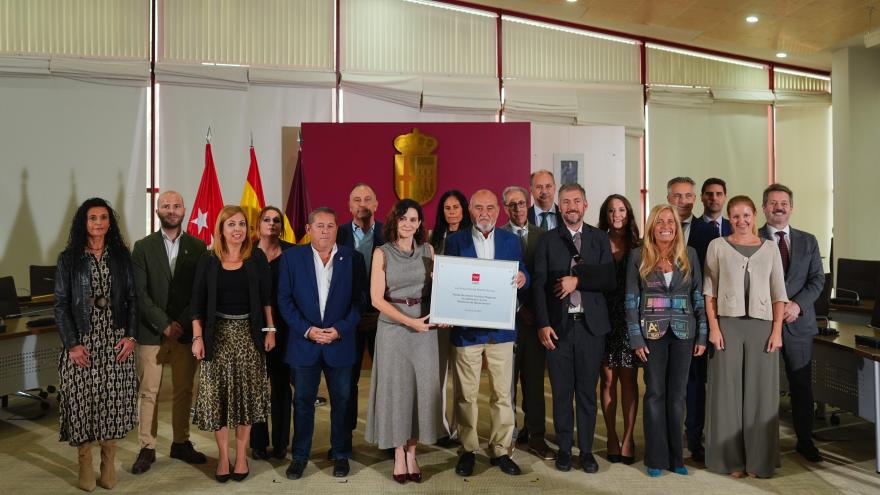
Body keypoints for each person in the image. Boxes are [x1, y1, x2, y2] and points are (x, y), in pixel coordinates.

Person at [54, 197, 138, 491]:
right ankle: (84, 462)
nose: (99, 223)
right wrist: (72, 344)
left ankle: (108, 461)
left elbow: (132, 299)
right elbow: (61, 305)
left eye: (104, 217)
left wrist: (131, 336)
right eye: (93, 218)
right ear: (83, 223)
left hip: (115, 340)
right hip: (83, 342)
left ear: (109, 222)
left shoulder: (121, 256)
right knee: (82, 401)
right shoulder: (69, 259)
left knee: (112, 402)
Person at [277, 207, 366, 480]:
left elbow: (360, 301)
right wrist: (307, 330)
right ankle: (300, 456)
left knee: (342, 401)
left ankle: (340, 454)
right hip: (305, 343)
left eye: (330, 226)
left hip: (340, 343)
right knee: (303, 402)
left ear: (336, 228)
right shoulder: (292, 258)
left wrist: (339, 330)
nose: (325, 231)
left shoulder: (353, 258)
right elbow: (284, 300)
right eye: (319, 226)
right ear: (308, 229)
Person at [703, 195, 788, 479]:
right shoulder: (717, 246)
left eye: (746, 215)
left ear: (755, 215)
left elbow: (779, 293)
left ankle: (759, 461)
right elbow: (709, 291)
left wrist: (777, 331)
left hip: (763, 328)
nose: (741, 221)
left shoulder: (771, 248)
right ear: (729, 217)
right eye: (735, 216)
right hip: (728, 325)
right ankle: (730, 461)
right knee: (726, 395)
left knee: (760, 395)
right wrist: (714, 328)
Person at [533, 183, 616, 474]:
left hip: (591, 328)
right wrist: (543, 324)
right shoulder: (546, 241)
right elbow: (540, 287)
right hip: (559, 327)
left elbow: (608, 279)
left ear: (586, 205)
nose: (571, 206)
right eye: (565, 201)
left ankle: (587, 451)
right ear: (559, 206)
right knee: (561, 392)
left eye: (576, 201)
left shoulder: (599, 239)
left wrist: (577, 281)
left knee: (586, 393)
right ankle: (565, 450)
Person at [446, 189, 529, 477]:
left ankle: (500, 450)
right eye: (478, 207)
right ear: (470, 210)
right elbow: (449, 281)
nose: (484, 213)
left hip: (501, 332)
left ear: (499, 210)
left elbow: (524, 273)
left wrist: (523, 278)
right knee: (466, 395)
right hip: (467, 333)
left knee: (502, 395)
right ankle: (468, 449)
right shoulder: (454, 240)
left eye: (490, 207)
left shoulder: (511, 240)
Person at [190, 205, 275, 483]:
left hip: (249, 337)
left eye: (241, 224)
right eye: (231, 225)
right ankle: (223, 457)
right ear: (221, 229)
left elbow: (266, 299)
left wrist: (270, 330)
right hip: (217, 337)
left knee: (245, 399)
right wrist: (197, 336)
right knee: (218, 400)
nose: (237, 229)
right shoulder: (208, 259)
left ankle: (241, 456)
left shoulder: (257, 258)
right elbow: (197, 303)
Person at [625, 204, 707, 477]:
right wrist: (636, 338)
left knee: (677, 396)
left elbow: (698, 297)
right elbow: (630, 300)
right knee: (655, 394)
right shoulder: (638, 255)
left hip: (685, 334)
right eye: (659, 220)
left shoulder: (690, 255)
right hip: (651, 334)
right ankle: (655, 459)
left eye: (670, 220)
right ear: (651, 226)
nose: (665, 225)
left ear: (677, 225)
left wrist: (703, 334)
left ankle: (676, 458)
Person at [365, 199, 442, 484]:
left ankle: (412, 452)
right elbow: (376, 298)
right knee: (397, 392)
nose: (408, 224)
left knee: (420, 390)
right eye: (403, 218)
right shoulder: (381, 253)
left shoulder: (428, 250)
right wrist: (409, 322)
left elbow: (441, 288)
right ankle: (398, 453)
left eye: (414, 219)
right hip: (395, 329)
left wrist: (443, 313)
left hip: (425, 329)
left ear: (421, 224)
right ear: (394, 221)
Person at [131, 191, 207, 475]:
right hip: (152, 333)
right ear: (157, 211)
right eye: (166, 206)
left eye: (176, 206)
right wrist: (163, 323)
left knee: (184, 390)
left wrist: (181, 323)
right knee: (149, 391)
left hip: (185, 333)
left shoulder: (198, 247)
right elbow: (139, 293)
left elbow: (199, 292)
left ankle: (180, 442)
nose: (171, 210)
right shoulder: (142, 247)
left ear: (185, 210)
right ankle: (146, 447)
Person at [759, 184, 825, 463]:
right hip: (763, 325)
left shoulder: (808, 241)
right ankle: (762, 443)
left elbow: (817, 280)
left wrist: (796, 304)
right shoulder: (753, 238)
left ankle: (805, 440)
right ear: (764, 208)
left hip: (799, 324)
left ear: (791, 207)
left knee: (801, 386)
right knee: (763, 387)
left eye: (784, 203)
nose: (779, 207)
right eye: (773, 203)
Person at [500, 185, 554, 460]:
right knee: (506, 382)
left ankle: (536, 436)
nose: (518, 209)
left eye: (522, 203)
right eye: (512, 205)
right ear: (505, 208)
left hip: (536, 322)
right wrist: (520, 308)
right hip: (506, 320)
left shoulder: (543, 237)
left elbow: (544, 279)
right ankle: (508, 434)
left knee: (533, 382)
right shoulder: (497, 237)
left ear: (528, 203)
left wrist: (537, 313)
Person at [667, 175, 719, 462]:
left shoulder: (709, 233)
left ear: (695, 199)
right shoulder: (657, 228)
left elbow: (711, 280)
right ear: (668, 198)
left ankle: (694, 437)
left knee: (695, 383)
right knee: (666, 383)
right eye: (677, 195)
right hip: (660, 317)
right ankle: (668, 438)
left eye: (688, 196)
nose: (683, 201)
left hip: (695, 316)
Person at [335, 183, 384, 448]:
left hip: (384, 320)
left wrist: (380, 311)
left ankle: (388, 438)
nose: (362, 203)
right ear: (349, 206)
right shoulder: (336, 233)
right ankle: (344, 440)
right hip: (347, 322)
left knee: (386, 382)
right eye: (357, 199)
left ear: (376, 204)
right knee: (345, 384)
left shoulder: (391, 233)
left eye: (368, 199)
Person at [596, 194, 641, 465]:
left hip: (629, 320)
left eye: (621, 209)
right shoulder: (596, 242)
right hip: (603, 320)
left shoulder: (639, 244)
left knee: (629, 380)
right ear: (605, 214)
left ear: (628, 212)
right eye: (611, 210)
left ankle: (628, 437)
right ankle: (611, 435)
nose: (617, 214)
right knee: (608, 380)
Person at [249, 206, 295, 460]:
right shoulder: (247, 252)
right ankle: (257, 442)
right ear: (259, 224)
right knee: (257, 386)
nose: (272, 224)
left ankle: (280, 443)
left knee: (280, 386)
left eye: (277, 220)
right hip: (254, 329)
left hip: (285, 329)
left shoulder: (293, 253)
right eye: (267, 219)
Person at [428, 189, 471, 445]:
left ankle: (460, 429)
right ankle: (441, 429)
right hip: (440, 314)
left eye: (456, 207)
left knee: (463, 376)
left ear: (464, 210)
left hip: (465, 313)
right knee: (440, 375)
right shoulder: (433, 238)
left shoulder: (471, 238)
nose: (452, 212)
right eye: (447, 208)